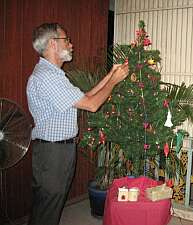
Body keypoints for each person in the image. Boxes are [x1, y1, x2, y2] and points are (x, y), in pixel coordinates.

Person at [26, 23, 129, 225]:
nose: (71, 44)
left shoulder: (54, 75)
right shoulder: (47, 77)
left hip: (57, 152)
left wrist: (110, 75)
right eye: (67, 40)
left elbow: (86, 96)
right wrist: (114, 82)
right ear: (53, 44)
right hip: (52, 154)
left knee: (48, 207)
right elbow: (91, 105)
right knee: (47, 211)